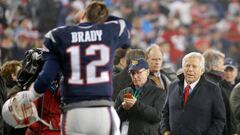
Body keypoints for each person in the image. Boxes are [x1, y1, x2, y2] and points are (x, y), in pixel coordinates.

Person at [13, 1, 131, 135]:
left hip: (74, 111)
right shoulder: (109, 31)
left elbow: (46, 78)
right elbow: (126, 26)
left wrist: (29, 95)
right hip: (102, 110)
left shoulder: (59, 35)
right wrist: (101, 17)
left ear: (82, 15)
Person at [160, 52, 226, 135]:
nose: (190, 69)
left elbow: (219, 119)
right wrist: (165, 131)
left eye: (194, 66)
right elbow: (165, 113)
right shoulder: (172, 86)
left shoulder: (213, 89)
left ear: (202, 70)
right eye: (187, 65)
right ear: (183, 67)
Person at [115, 58, 166, 135]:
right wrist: (122, 108)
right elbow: (115, 119)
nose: (135, 76)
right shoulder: (124, 92)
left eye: (138, 72)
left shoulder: (159, 93)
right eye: (132, 73)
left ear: (147, 72)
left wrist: (136, 104)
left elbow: (158, 116)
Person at [203, 49, 238, 135]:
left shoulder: (214, 82)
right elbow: (220, 115)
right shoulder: (212, 85)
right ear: (214, 67)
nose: (223, 68)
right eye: (222, 65)